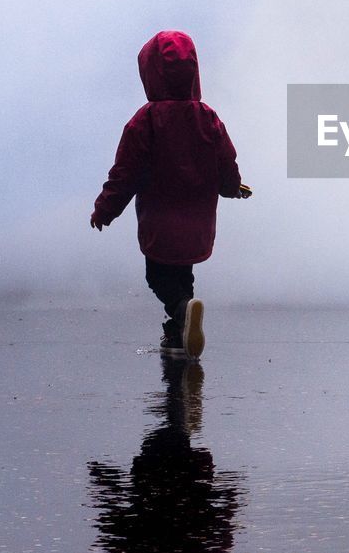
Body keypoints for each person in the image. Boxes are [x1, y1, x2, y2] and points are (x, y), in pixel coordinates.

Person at [90, 30, 250, 358]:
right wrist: (231, 187)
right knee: (184, 272)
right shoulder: (207, 117)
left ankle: (180, 314)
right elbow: (225, 157)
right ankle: (179, 335)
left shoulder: (145, 121)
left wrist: (105, 209)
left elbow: (125, 173)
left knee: (158, 275)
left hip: (159, 216)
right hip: (197, 215)